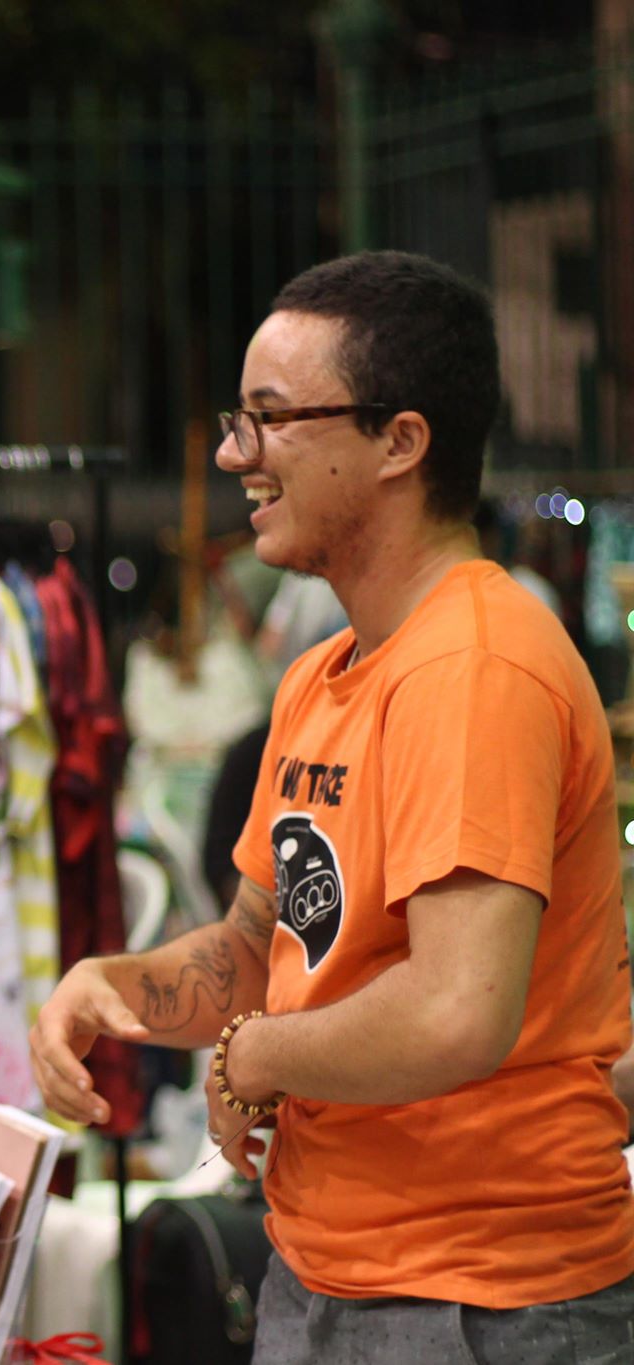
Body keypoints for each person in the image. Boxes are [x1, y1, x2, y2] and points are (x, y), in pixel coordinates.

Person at [32, 251, 634, 1363]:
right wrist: (114, 987)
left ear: (398, 442)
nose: (230, 455)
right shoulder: (327, 674)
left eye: (267, 420)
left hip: (477, 1304)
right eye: (235, 419)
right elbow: (265, 947)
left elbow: (457, 1010)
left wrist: (247, 1061)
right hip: (325, 1278)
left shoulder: (475, 665)